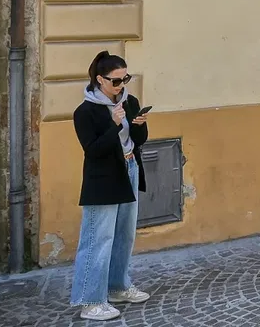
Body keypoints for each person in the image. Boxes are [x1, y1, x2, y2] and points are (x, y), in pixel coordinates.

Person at [70, 51, 151, 321]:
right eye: (115, 81)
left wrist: (138, 125)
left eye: (124, 79)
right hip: (103, 177)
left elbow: (137, 140)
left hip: (129, 168)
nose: (121, 86)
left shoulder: (130, 102)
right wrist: (115, 125)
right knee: (97, 239)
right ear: (99, 79)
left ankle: (118, 287)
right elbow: (93, 150)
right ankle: (91, 301)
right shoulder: (85, 112)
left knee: (124, 235)